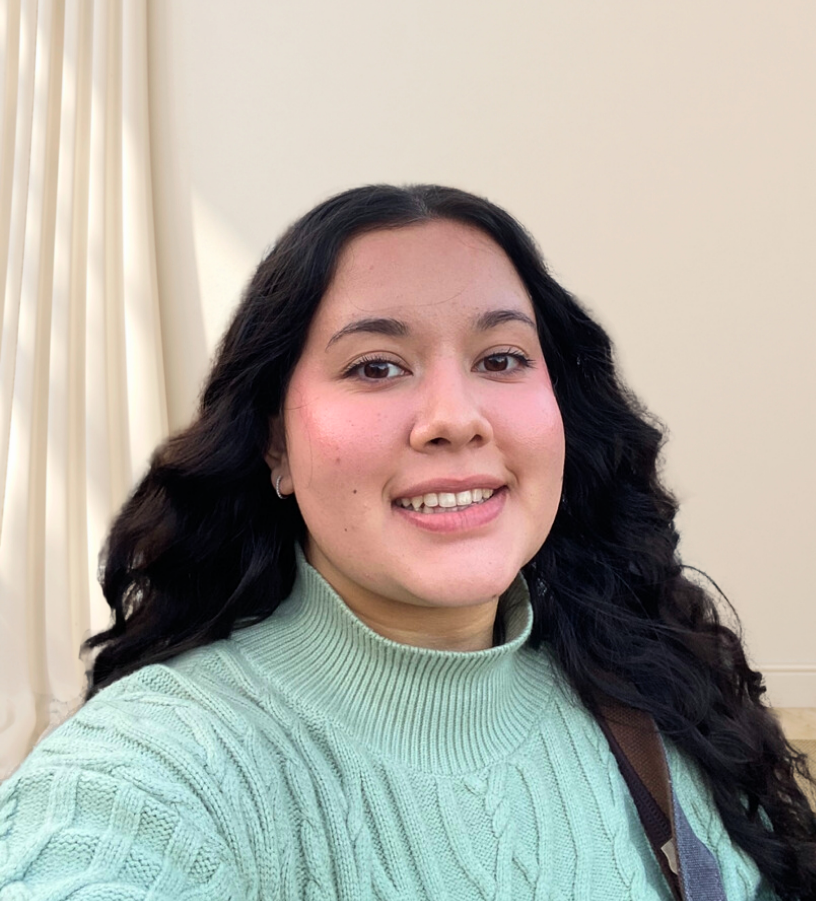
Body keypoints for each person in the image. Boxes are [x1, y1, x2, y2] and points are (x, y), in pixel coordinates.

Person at [0, 183, 813, 900]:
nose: (456, 417)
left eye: (501, 357)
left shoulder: (654, 687)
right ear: (273, 445)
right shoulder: (168, 766)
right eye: (376, 367)